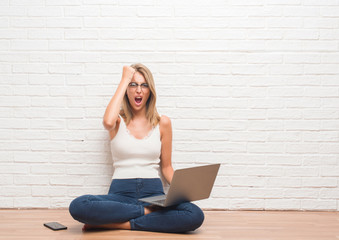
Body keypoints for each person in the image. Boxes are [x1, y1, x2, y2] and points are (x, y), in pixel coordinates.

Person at [69, 63, 204, 233]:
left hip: (154, 195)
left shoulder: (163, 122)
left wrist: (182, 190)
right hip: (120, 196)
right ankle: (146, 215)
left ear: (150, 91)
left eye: (144, 85)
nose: (138, 90)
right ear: (126, 89)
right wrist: (125, 78)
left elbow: (167, 167)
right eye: (133, 85)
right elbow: (107, 122)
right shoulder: (117, 121)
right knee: (79, 206)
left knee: (194, 214)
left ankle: (120, 224)